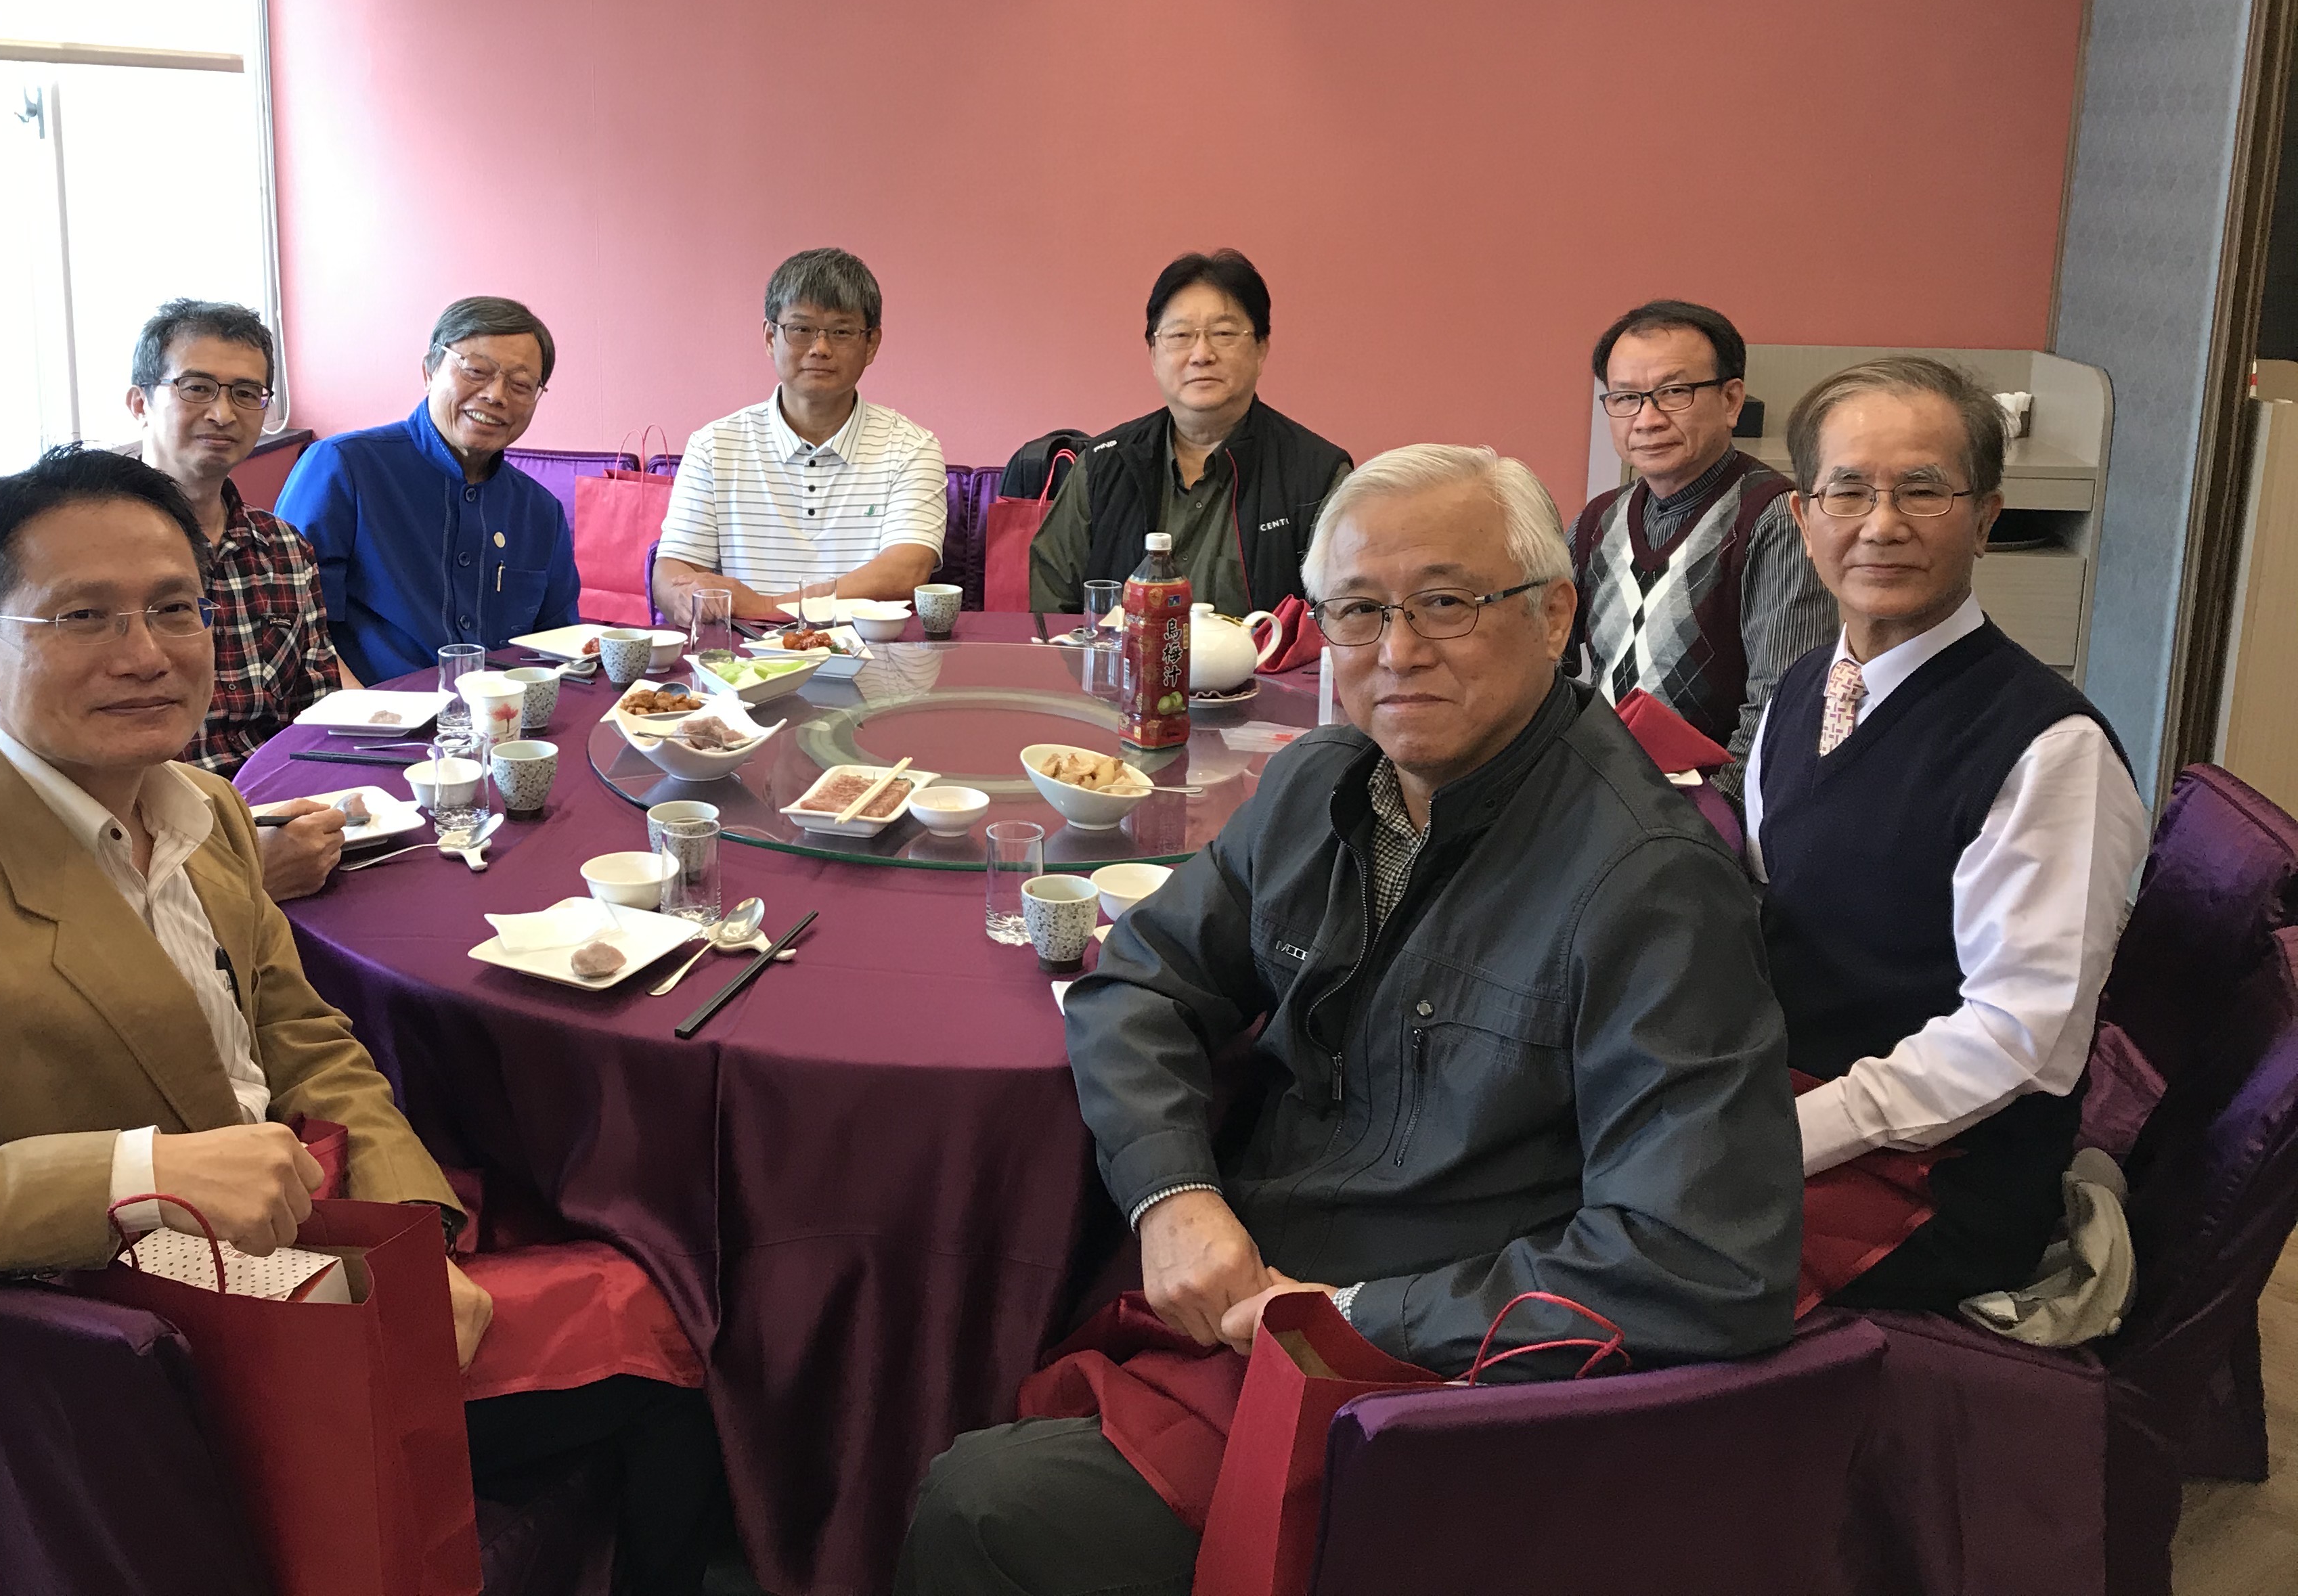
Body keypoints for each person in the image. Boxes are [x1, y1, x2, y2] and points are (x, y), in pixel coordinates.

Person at [0, 446, 724, 1596]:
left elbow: (301, 1037)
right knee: (662, 1357)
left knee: (661, 1272)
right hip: (143, 1359)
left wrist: (414, 1240)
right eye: (83, 616)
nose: (145, 654)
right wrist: (134, 1173)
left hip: (303, 1240)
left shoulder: (200, 804)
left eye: (173, 608)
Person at [901, 445, 1801, 1596]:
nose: (1398, 651)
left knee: (987, 1509)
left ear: (1552, 615)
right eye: (1361, 611)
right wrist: (1174, 1195)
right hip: (1249, 1287)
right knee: (947, 1329)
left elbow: (1703, 1260)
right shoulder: (1321, 783)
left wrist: (1351, 1315)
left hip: (1424, 1385)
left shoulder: (1648, 884)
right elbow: (1141, 980)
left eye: (1446, 602)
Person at [1748, 357, 2148, 1311]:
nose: (1882, 524)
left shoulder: (2049, 750)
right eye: (1848, 490)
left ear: (1986, 518)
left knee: (1623, 1236)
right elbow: (1776, 906)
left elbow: (2016, 1039)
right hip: (1789, 1090)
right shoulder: (1804, 687)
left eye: (1923, 490)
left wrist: (1775, 1137)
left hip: (1944, 1174)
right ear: (1803, 518)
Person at [126, 297, 351, 904]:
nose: (223, 413)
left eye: (247, 394)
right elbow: (78, 765)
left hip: (287, 816)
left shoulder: (283, 548)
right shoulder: (92, 556)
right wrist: (238, 870)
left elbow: (319, 715)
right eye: (197, 388)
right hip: (153, 848)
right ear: (140, 403)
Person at [1568, 299, 1832, 801]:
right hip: (1604, 796)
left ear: (1731, 400)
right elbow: (1541, 665)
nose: (1646, 419)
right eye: (1625, 398)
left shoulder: (1776, 520)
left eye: (1674, 392)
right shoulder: (1596, 521)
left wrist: (1711, 820)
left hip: (1710, 811)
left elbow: (1780, 706)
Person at [1028, 250, 1350, 620]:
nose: (1201, 354)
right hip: (1119, 660)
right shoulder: (1103, 465)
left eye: (1224, 334)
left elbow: (1338, 616)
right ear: (1153, 354)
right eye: (1180, 335)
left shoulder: (1317, 475)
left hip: (1264, 661)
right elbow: (1052, 609)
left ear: (1261, 349)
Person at [274, 297, 582, 682]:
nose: (496, 395)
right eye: (476, 370)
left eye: (520, 385)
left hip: (509, 713)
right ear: (429, 371)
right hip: (370, 713)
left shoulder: (540, 511)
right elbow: (290, 627)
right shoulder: (343, 467)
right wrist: (365, 710)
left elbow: (560, 647)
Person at [652, 248, 946, 623]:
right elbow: (673, 569)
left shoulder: (912, 448)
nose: (820, 349)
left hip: (869, 655)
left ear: (871, 344)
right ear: (770, 337)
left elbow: (905, 573)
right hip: (741, 656)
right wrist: (682, 595)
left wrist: (765, 607)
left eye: (841, 332)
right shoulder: (714, 446)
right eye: (801, 330)